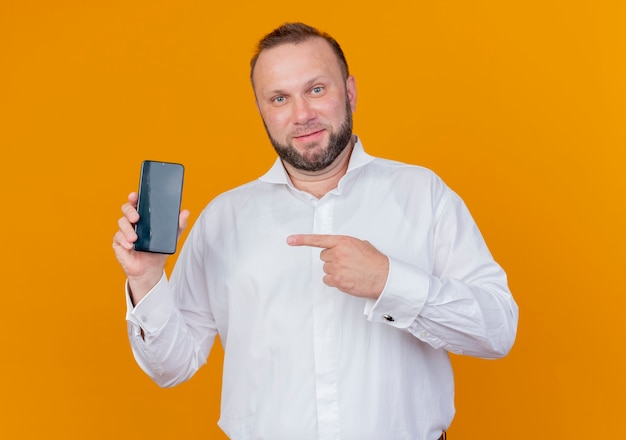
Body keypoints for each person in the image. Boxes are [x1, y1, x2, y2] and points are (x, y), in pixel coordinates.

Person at [113, 22, 518, 440]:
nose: (301, 114)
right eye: (279, 98)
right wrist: (145, 280)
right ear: (261, 110)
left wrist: (389, 281)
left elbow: (497, 331)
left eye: (317, 90)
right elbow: (172, 367)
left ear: (350, 92)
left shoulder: (423, 195)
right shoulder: (223, 219)